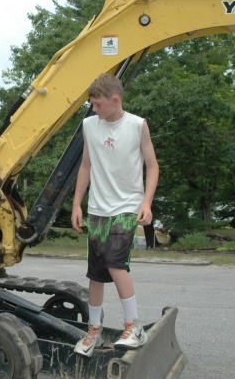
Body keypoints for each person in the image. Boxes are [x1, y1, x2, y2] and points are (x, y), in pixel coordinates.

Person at [71, 73, 159, 357]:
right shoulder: (89, 126)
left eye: (98, 104)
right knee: (96, 272)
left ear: (115, 100)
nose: (94, 110)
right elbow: (85, 166)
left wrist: (146, 202)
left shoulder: (137, 125)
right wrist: (77, 204)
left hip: (127, 207)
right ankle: (94, 330)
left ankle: (133, 326)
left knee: (115, 263)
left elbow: (153, 166)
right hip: (98, 209)